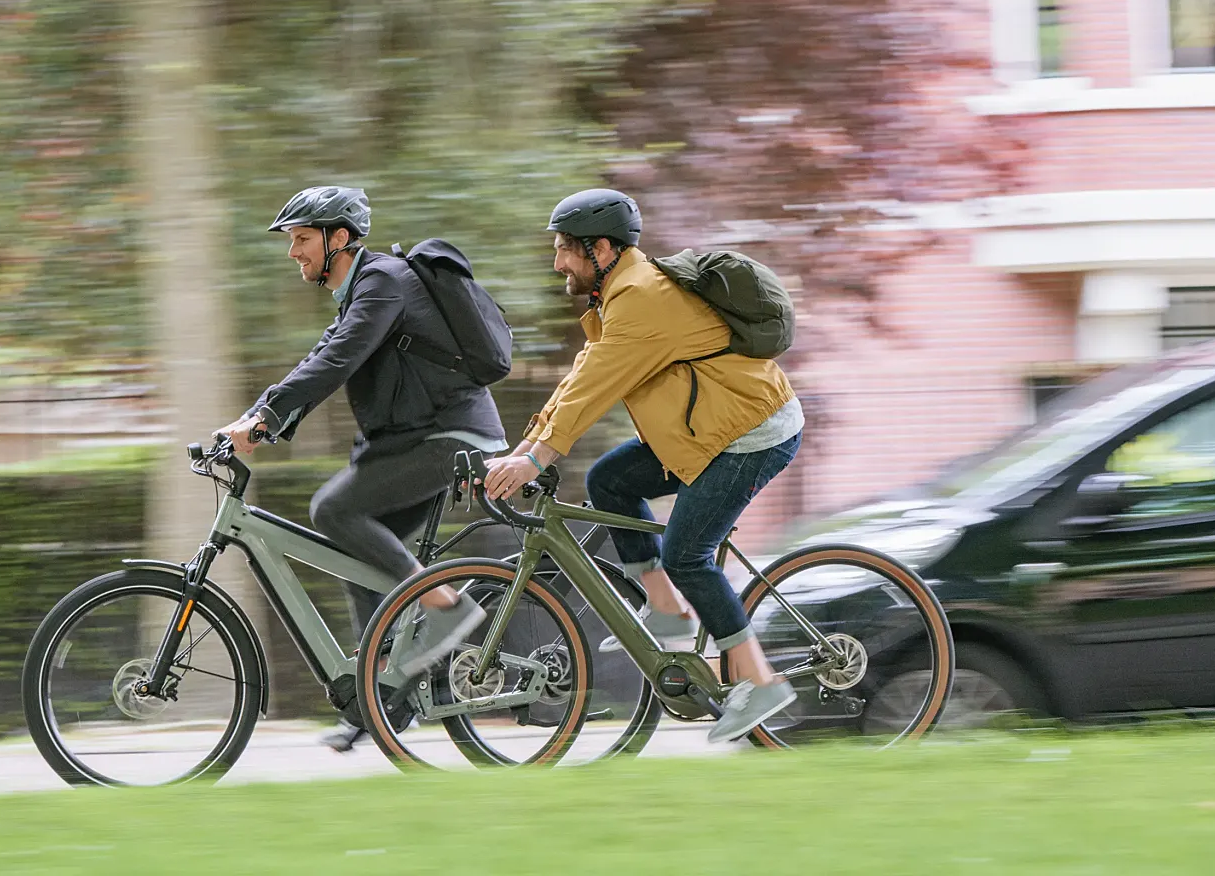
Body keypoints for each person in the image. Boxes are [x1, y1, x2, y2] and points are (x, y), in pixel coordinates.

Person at [483, 188, 805, 742]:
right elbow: (578, 380)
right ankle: (668, 614)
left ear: (601, 249)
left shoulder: (641, 298)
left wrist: (536, 458)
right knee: (609, 480)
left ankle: (760, 681)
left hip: (751, 434)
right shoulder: (620, 296)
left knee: (687, 554)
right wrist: (525, 448)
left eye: (564, 249)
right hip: (707, 431)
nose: (557, 261)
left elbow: (592, 391)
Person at [215, 184, 504, 751]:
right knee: (359, 559)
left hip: (450, 437)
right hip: (421, 440)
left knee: (332, 507)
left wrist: (266, 418)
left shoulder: (383, 282)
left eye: (301, 239)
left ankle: (447, 608)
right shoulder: (362, 291)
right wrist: (255, 418)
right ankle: (382, 702)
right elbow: (320, 357)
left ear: (338, 239)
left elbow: (339, 357)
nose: (292, 252)